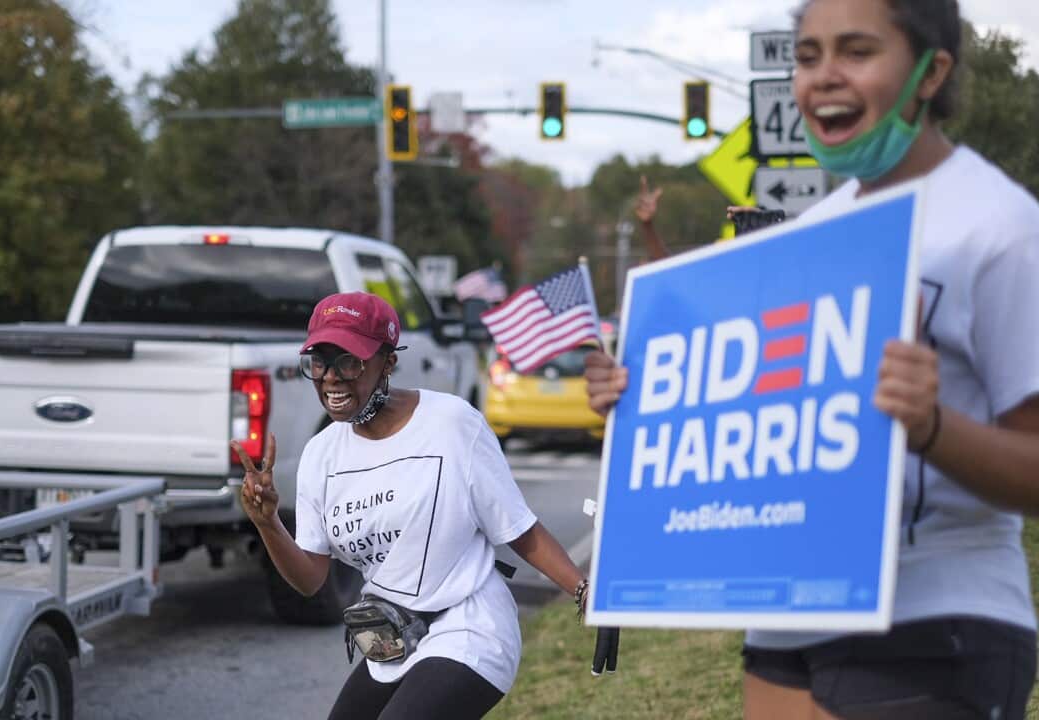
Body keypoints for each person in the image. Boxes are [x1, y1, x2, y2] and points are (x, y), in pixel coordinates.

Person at [585, 1, 1039, 718]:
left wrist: (932, 428)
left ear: (932, 71)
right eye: (807, 57)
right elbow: (752, 406)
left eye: (857, 51)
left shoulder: (999, 226)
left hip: (933, 620)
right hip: (785, 618)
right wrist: (646, 394)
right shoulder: (816, 232)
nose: (824, 77)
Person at [232, 291, 592, 720]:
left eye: (349, 361)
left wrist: (585, 592)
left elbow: (518, 529)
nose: (330, 377)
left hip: (469, 627)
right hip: (393, 641)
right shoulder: (320, 454)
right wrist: (269, 523)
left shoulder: (451, 424)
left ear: (388, 362)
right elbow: (311, 580)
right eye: (319, 361)